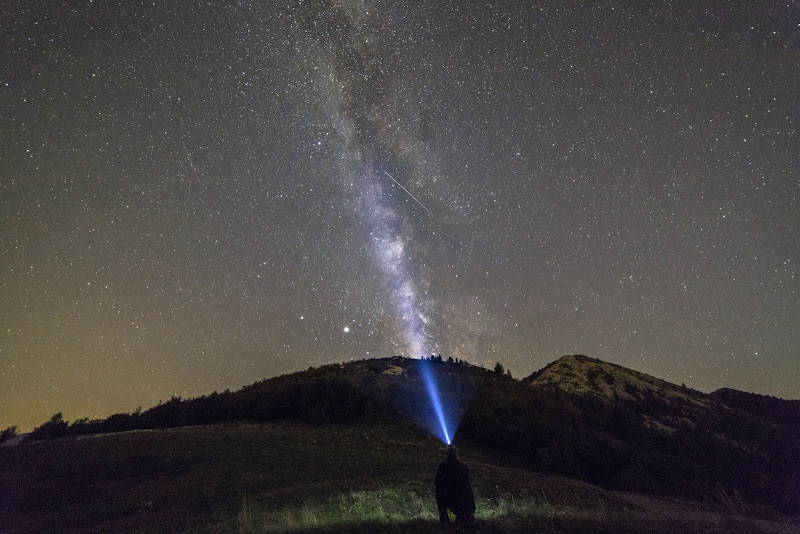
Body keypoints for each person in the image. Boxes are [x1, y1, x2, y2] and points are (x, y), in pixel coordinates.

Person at [435, 444, 475, 527]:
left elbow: (437, 482)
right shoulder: (463, 467)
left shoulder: (443, 466)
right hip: (462, 499)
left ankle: (444, 516)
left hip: (447, 498)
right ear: (457, 454)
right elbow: (467, 486)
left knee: (438, 491)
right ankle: (462, 516)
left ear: (447, 454)